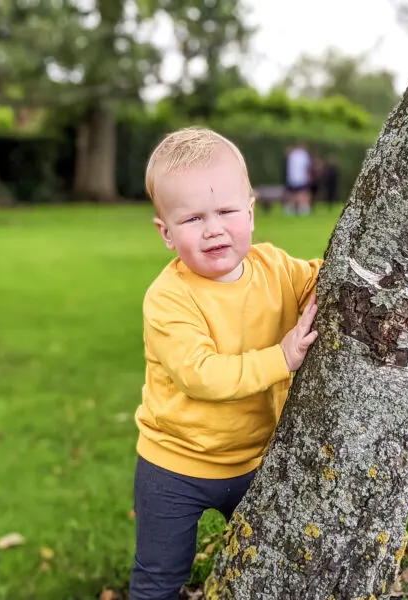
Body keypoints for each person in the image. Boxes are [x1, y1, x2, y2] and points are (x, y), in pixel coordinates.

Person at [129, 127, 323, 600]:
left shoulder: (274, 266)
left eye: (227, 212)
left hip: (256, 460)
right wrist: (282, 357)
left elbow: (320, 281)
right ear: (166, 233)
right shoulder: (168, 299)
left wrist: (323, 296)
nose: (213, 228)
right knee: (158, 578)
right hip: (174, 465)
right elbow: (202, 375)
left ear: (251, 213)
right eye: (193, 218)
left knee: (273, 562)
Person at [284, 142, 312, 215]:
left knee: (292, 194)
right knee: (301, 193)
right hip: (301, 178)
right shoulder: (304, 155)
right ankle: (303, 209)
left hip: (292, 178)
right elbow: (307, 167)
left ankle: (291, 209)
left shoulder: (292, 154)